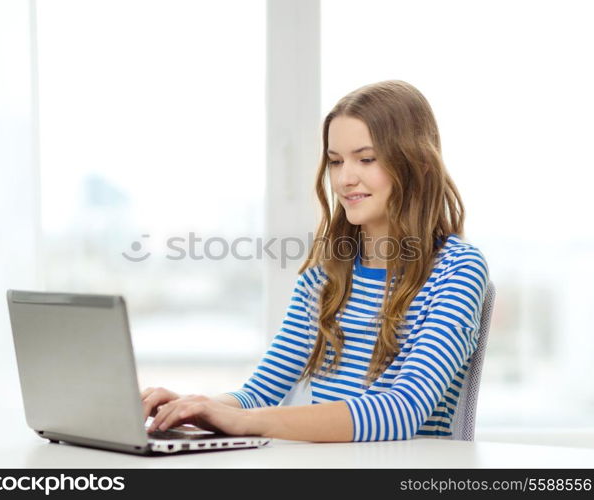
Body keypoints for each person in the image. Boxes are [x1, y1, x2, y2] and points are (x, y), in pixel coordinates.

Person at [141, 80, 489, 442]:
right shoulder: (327, 273)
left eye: (366, 159)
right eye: (336, 162)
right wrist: (192, 407)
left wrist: (242, 422)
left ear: (415, 164)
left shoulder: (457, 269)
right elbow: (261, 392)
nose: (344, 178)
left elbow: (401, 410)